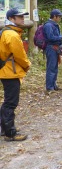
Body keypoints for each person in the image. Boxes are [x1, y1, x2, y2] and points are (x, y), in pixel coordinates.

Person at [0, 8, 31, 141]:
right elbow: (20, 56)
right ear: (12, 19)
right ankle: (10, 133)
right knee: (10, 103)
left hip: (6, 70)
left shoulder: (6, 32)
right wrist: (27, 65)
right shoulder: (12, 35)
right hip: (10, 71)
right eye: (20, 17)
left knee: (8, 101)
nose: (23, 19)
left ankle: (5, 128)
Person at [43, 9, 62, 93]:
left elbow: (56, 37)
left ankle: (54, 85)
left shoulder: (55, 25)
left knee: (55, 68)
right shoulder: (48, 25)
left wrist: (61, 45)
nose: (60, 18)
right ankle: (49, 88)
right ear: (54, 16)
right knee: (51, 68)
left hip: (56, 47)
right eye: (59, 16)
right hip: (51, 48)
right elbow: (50, 38)